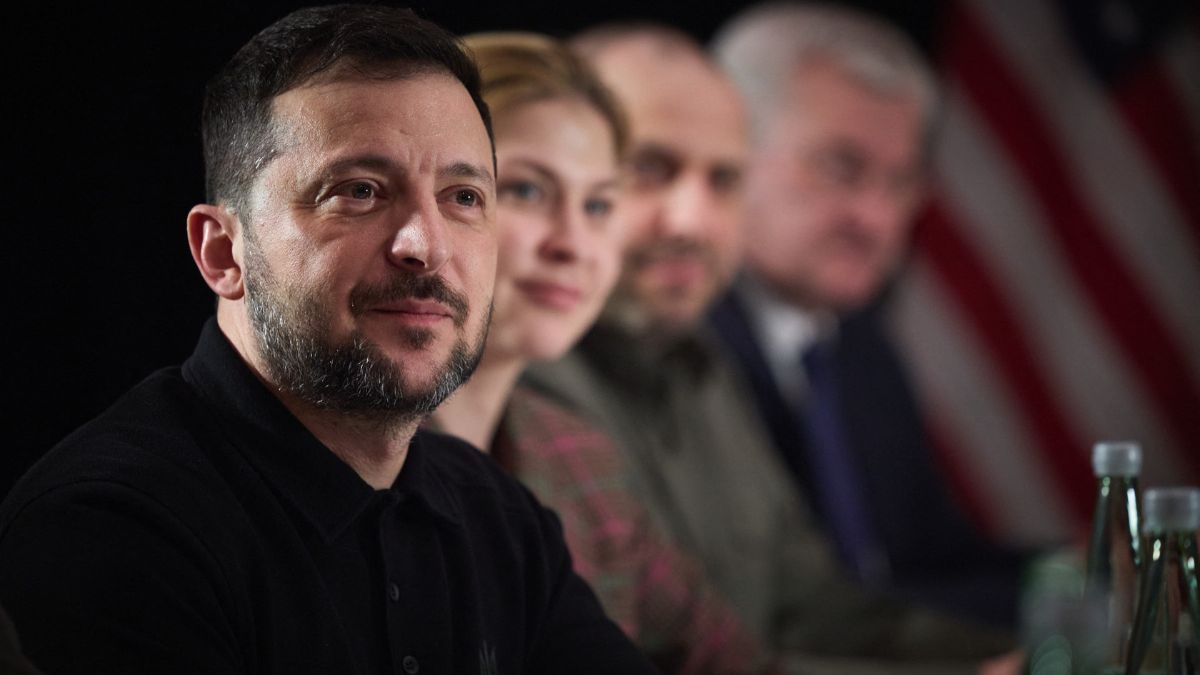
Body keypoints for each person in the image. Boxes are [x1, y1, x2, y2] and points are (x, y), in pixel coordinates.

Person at [0, 7, 655, 674]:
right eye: (360, 191)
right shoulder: (111, 529)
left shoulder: (499, 517)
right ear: (223, 252)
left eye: (463, 197)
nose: (424, 246)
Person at [522, 22, 1015, 670]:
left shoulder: (703, 369)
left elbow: (811, 605)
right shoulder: (520, 390)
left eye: (724, 179)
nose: (691, 220)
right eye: (649, 168)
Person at [431, 32, 778, 674]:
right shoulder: (345, 454)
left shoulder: (579, 455)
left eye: (598, 205)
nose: (575, 244)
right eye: (528, 191)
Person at [710, 2, 1025, 627]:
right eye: (841, 168)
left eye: (902, 179)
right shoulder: (675, 349)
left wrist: (1097, 572)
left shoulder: (856, 343)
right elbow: (775, 620)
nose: (877, 219)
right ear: (729, 150)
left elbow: (932, 562)